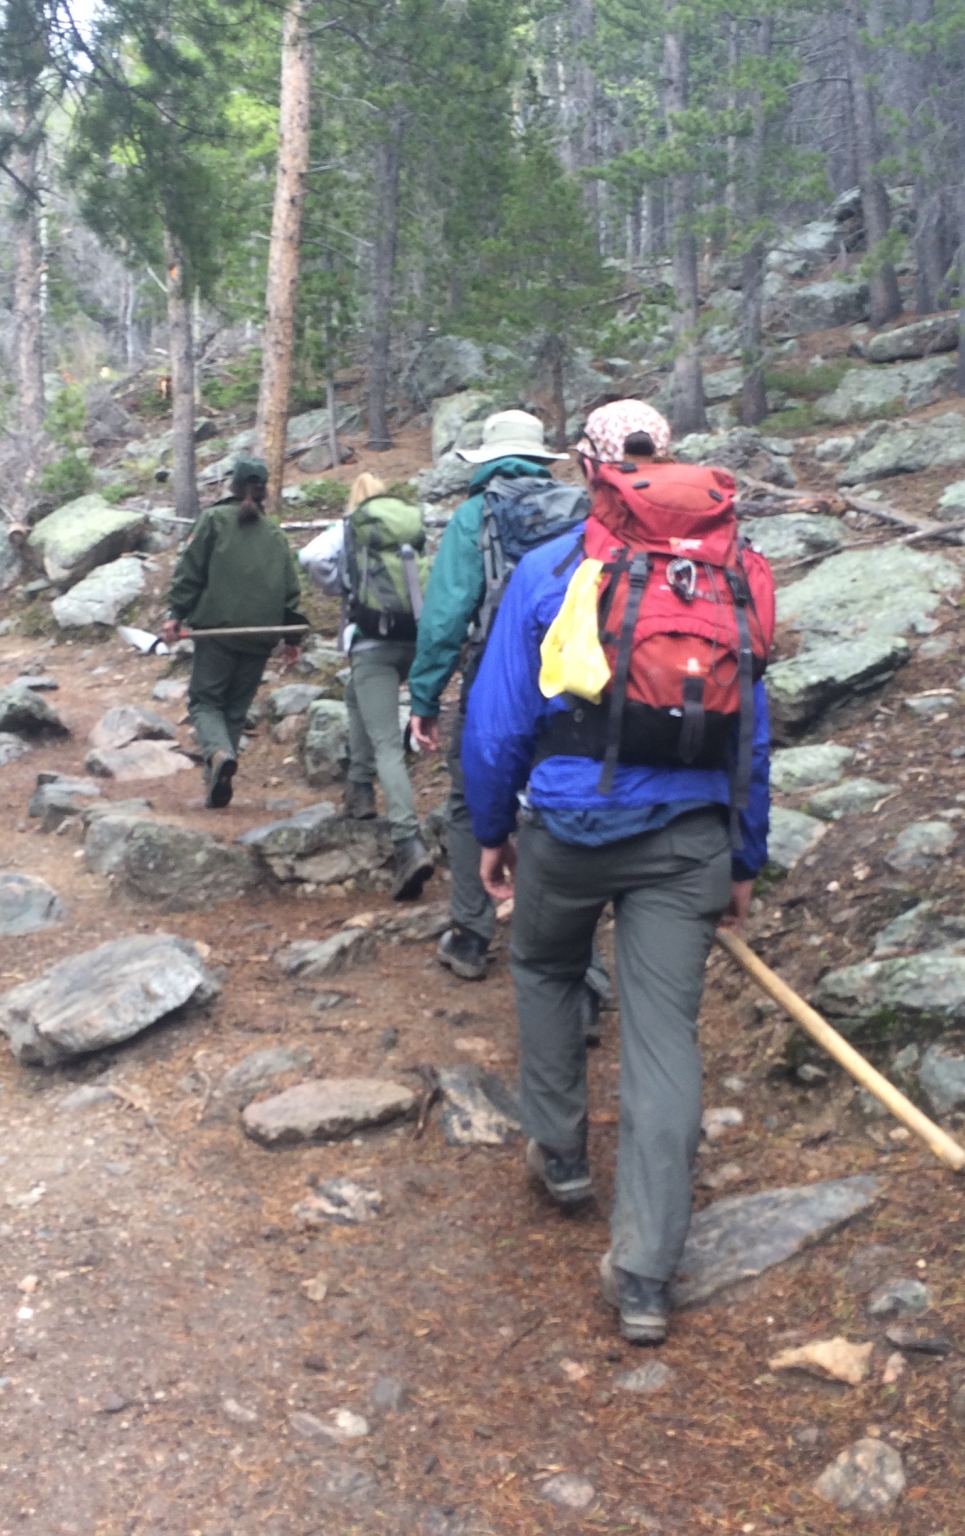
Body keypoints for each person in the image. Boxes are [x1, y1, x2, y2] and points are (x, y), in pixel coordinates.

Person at [461, 400, 774, 1346]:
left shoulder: (552, 568)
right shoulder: (729, 570)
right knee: (664, 1037)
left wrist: (491, 829)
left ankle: (560, 1153)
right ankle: (643, 1273)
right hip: (689, 838)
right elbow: (751, 729)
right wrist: (745, 856)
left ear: (588, 468)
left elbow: (500, 719)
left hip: (567, 822)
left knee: (546, 964)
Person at [407, 411, 596, 991]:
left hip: (495, 677)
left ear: (487, 461)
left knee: (470, 798)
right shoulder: (585, 511)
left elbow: (445, 615)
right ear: (541, 458)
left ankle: (470, 933)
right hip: (575, 683)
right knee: (566, 800)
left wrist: (426, 695)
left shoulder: (475, 517)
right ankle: (583, 968)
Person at [297, 472, 436, 900]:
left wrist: (342, 585)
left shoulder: (349, 527)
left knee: (387, 744)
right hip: (415, 639)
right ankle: (358, 791)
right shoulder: (411, 529)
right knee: (356, 696)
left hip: (372, 643)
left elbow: (310, 557)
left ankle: (407, 842)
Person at [161, 456, 306, 809]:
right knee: (235, 710)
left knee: (205, 701)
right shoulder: (274, 533)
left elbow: (190, 571)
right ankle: (216, 786)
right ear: (263, 489)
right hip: (261, 635)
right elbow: (291, 587)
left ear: (233, 485)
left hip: (218, 632)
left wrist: (176, 614)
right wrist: (293, 638)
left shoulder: (213, 520)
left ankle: (221, 753)